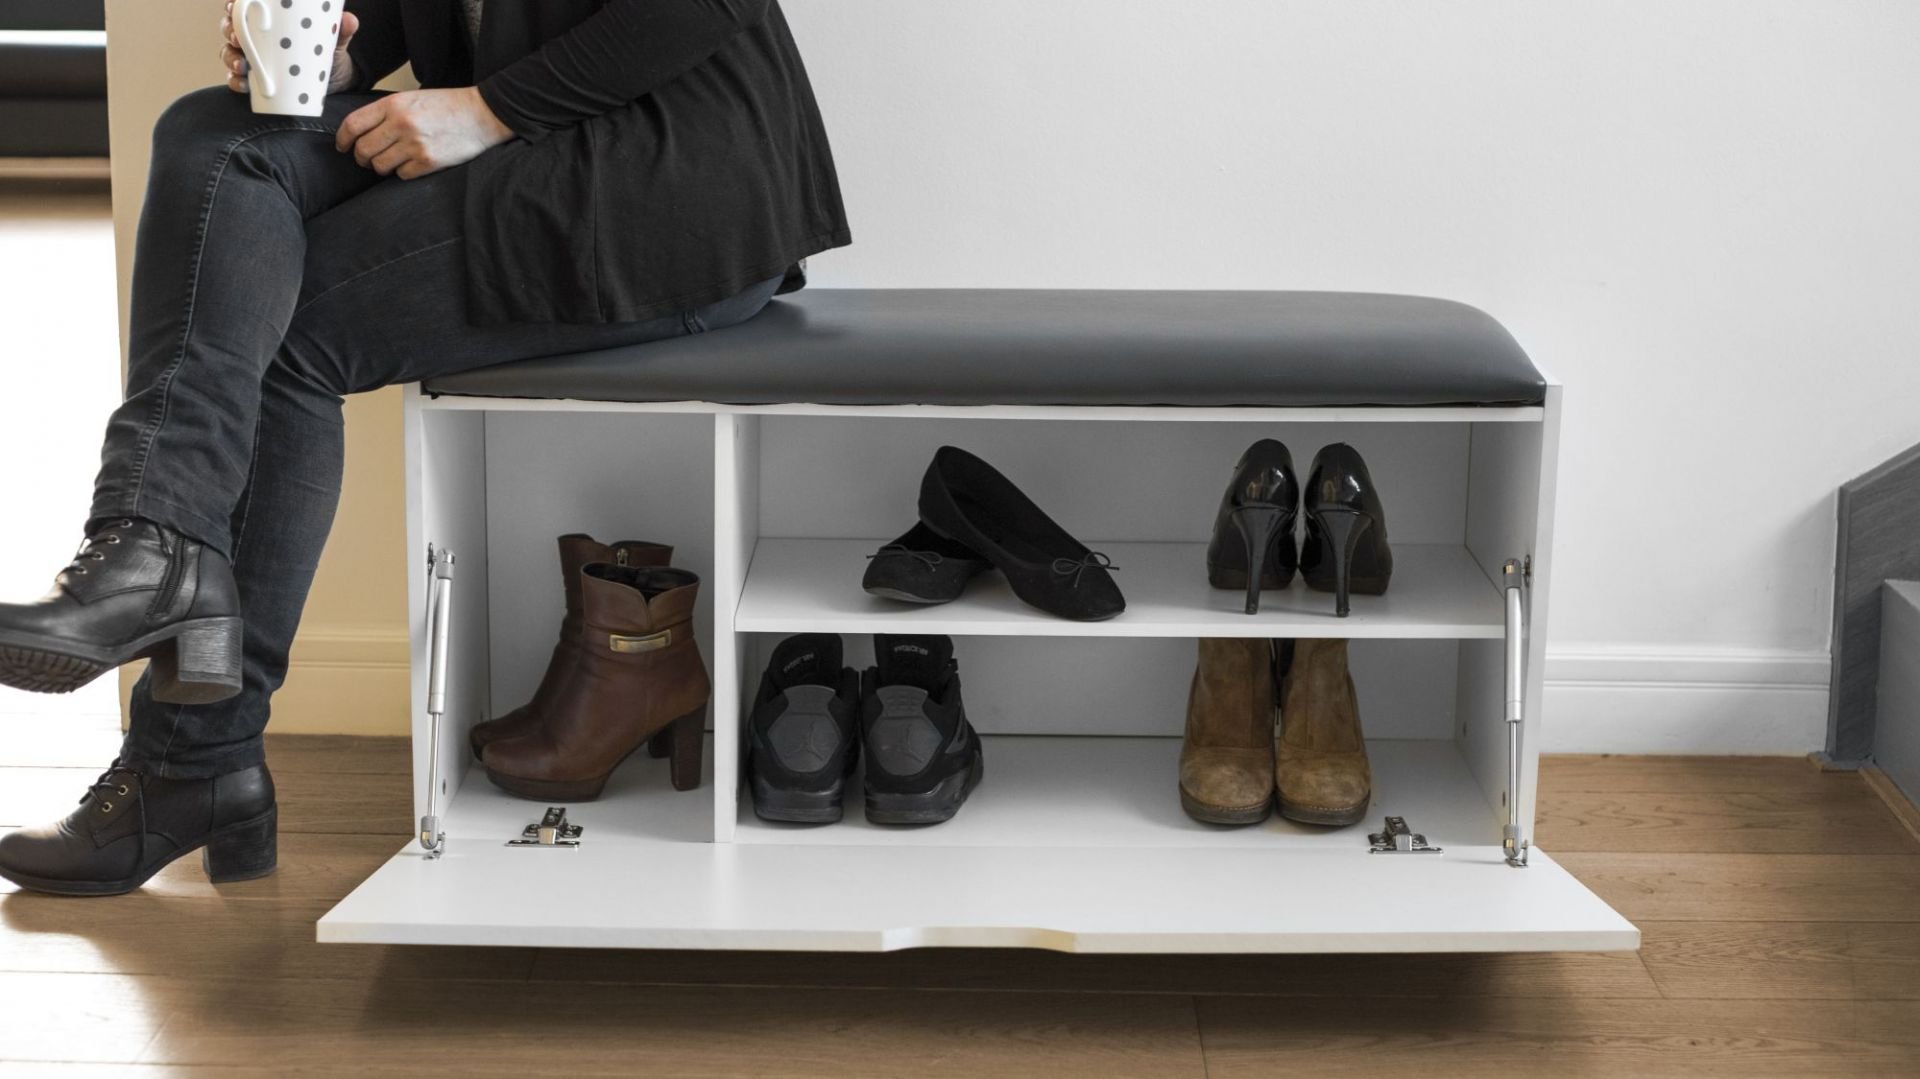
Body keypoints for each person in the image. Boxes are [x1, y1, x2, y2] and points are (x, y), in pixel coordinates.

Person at [0, 0, 849, 896]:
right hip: (519, 139)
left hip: (669, 176)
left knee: (285, 326)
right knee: (213, 138)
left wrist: (487, 110)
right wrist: (337, 58)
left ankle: (190, 755)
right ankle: (148, 547)